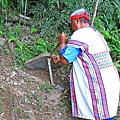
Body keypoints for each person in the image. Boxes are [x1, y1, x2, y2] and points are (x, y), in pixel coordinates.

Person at [52, 8, 120, 120]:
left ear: (77, 21)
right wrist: (60, 58)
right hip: (110, 80)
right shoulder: (95, 33)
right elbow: (85, 56)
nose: (71, 27)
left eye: (72, 23)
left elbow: (65, 60)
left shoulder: (79, 34)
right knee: (107, 114)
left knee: (101, 114)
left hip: (99, 82)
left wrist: (62, 42)